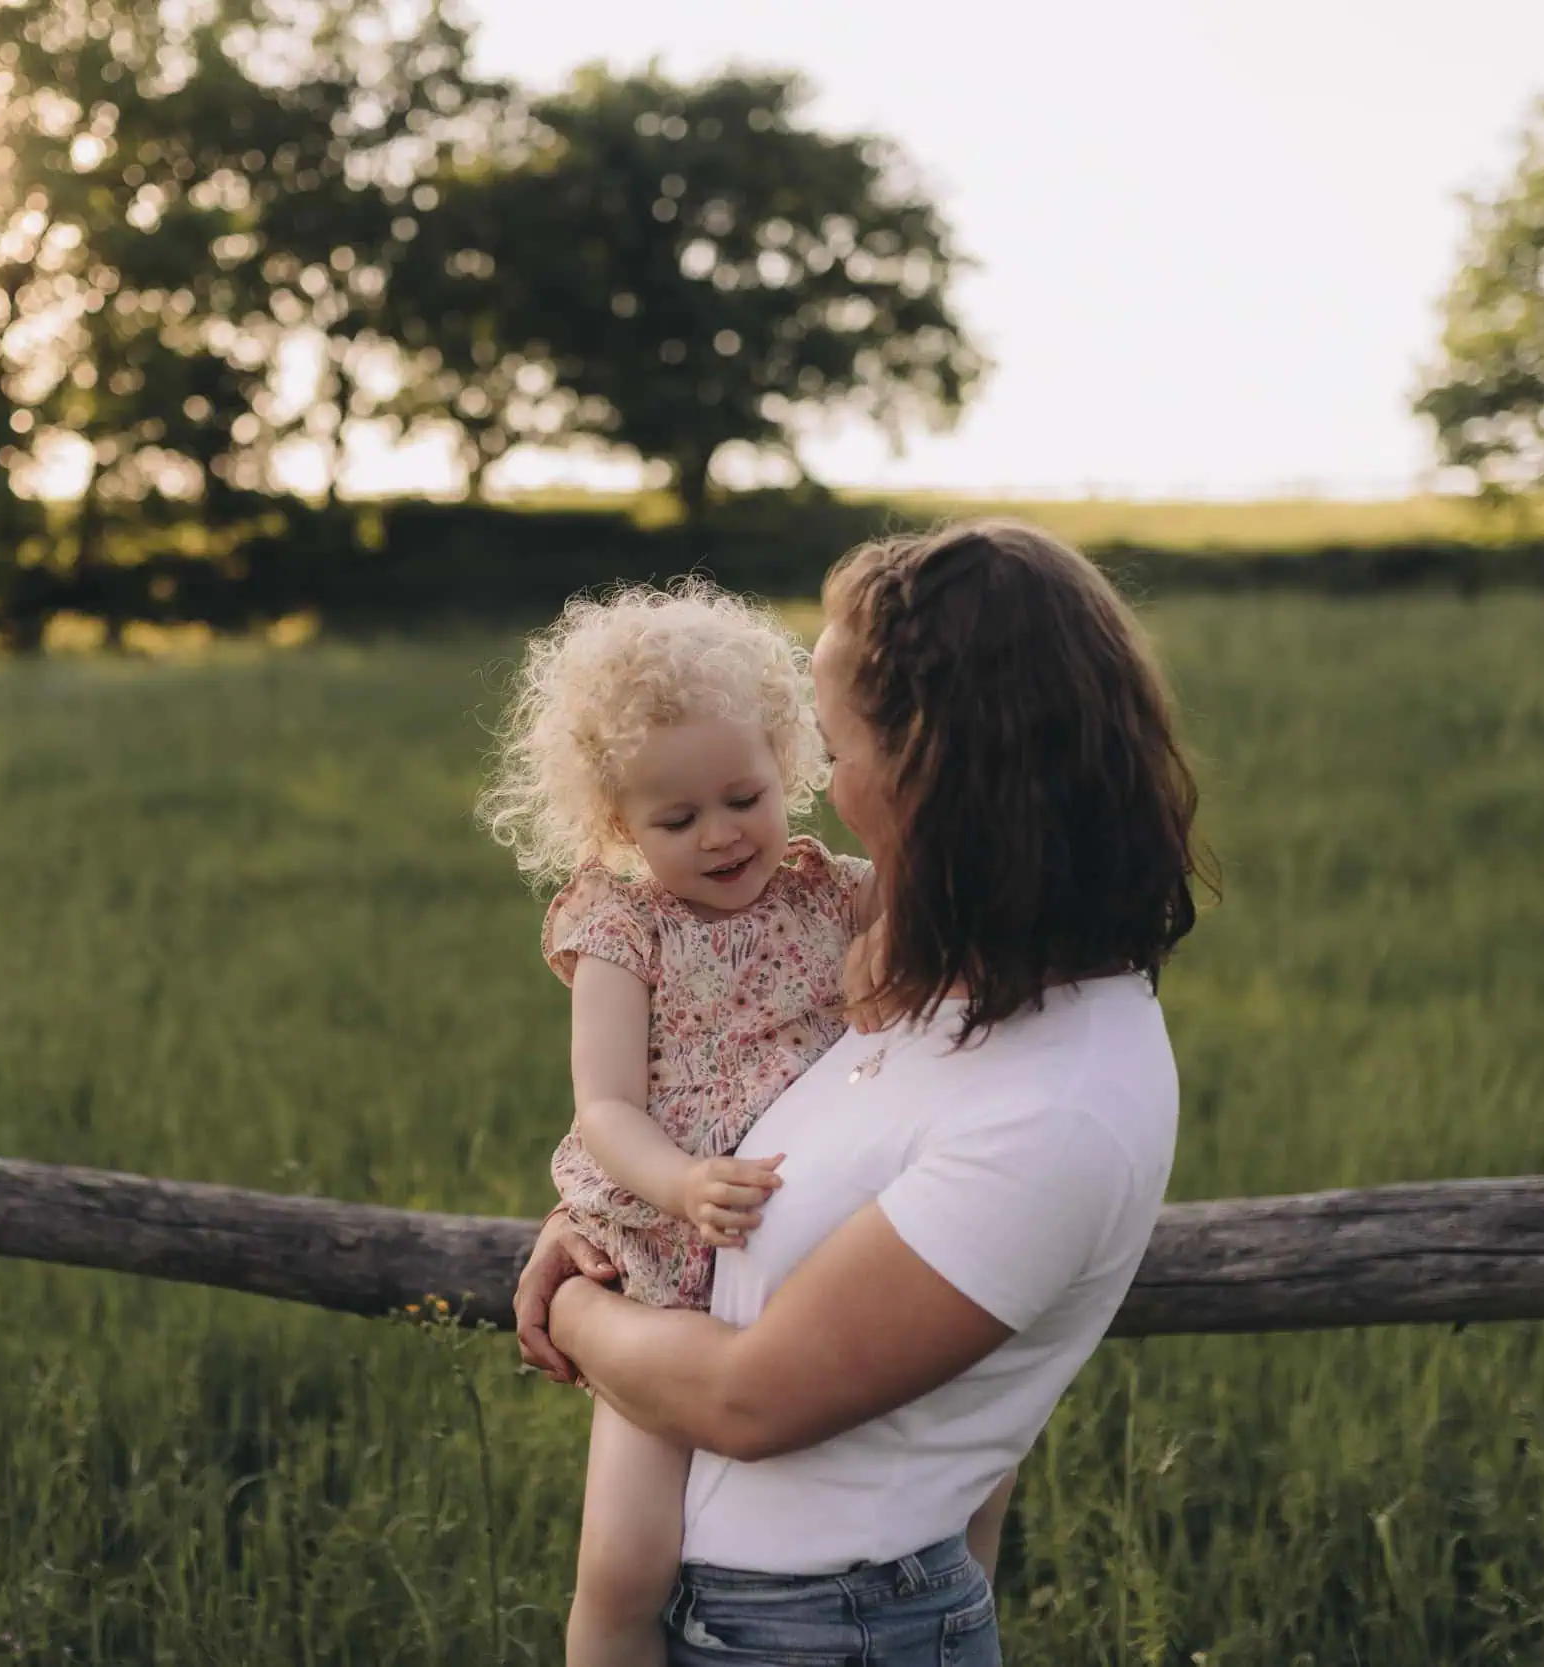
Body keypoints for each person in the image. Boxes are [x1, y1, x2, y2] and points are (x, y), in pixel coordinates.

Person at [516, 521, 1206, 1665]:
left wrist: (573, 1311)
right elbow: (730, 1125)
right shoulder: (934, 982)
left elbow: (749, 1399)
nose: (820, 793)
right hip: (760, 1613)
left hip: (834, 1626)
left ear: (939, 763)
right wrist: (593, 1220)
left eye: (829, 751)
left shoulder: (1058, 1104)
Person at [479, 582, 875, 1667]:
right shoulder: (622, 928)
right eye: (675, 818)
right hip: (662, 1244)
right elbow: (603, 1103)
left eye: (743, 795)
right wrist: (677, 1184)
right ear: (616, 822)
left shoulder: (829, 892)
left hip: (809, 1246)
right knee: (626, 1561)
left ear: (786, 759)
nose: (719, 836)